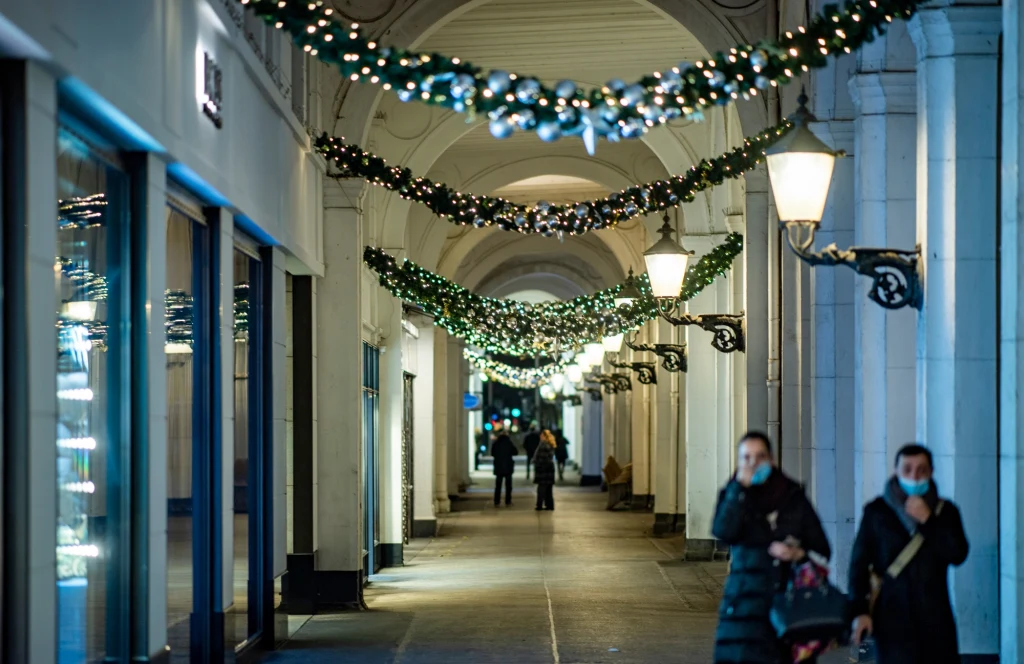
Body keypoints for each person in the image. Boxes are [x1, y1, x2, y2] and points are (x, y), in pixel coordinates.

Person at [712, 431, 832, 664]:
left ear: (772, 460)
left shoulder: (792, 497)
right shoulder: (733, 495)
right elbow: (723, 532)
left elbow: (823, 548)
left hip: (789, 610)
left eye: (760, 457)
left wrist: (798, 554)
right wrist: (739, 490)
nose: (753, 464)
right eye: (746, 458)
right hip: (744, 610)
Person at [848, 444, 969, 664]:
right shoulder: (877, 513)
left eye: (922, 470)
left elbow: (958, 554)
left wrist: (928, 522)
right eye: (907, 469)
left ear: (931, 472)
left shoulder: (946, 512)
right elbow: (858, 566)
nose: (914, 476)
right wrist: (859, 611)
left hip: (935, 620)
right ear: (896, 471)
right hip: (892, 620)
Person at [490, 430, 517, 507]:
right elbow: (515, 452)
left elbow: (492, 453)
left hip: (498, 466)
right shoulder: (509, 443)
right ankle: (508, 501)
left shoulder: (496, 443)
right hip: (508, 466)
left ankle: (496, 501)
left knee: (498, 485)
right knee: (508, 485)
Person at [533, 430, 557, 511]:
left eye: (541, 435)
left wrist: (537, 464)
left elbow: (541, 458)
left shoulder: (543, 445)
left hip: (543, 469)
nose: (540, 437)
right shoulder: (550, 444)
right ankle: (550, 505)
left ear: (544, 436)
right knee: (548, 488)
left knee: (541, 488)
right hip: (549, 469)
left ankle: (539, 504)